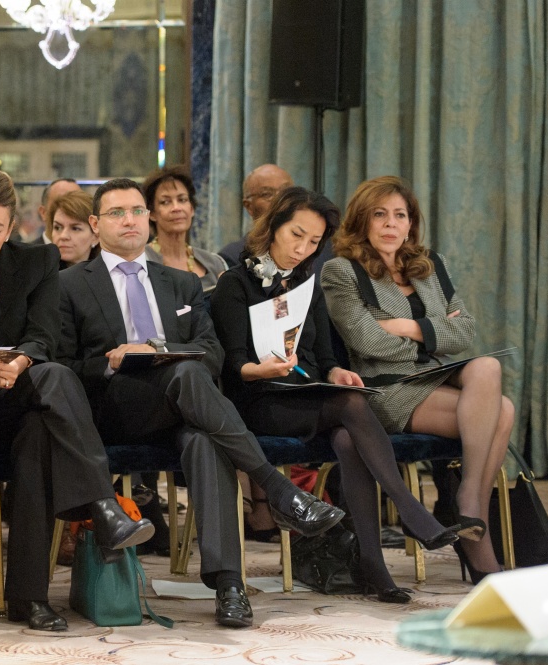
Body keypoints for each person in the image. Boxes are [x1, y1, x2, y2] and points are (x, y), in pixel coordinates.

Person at [57, 177, 345, 628]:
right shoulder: (68, 284)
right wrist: (112, 361)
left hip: (183, 406)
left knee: (204, 434)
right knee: (190, 378)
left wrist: (157, 350)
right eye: (116, 213)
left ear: (148, 218)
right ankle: (277, 489)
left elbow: (212, 353)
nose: (129, 220)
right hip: (112, 410)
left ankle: (230, 587)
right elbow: (60, 365)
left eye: (136, 210)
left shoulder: (181, 283)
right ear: (95, 224)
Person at [0, 167, 154, 632]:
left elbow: (44, 337)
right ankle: (103, 506)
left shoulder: (37, 262)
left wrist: (21, 362)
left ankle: (29, 598)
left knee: (46, 399)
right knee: (48, 402)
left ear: (11, 228)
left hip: (19, 395)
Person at [210, 186, 460, 603]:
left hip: (311, 396)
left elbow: (325, 358)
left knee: (347, 437)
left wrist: (337, 371)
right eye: (296, 235)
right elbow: (233, 367)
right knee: (352, 404)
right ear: (273, 227)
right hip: (261, 401)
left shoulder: (307, 284)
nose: (302, 249)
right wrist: (262, 369)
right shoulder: (234, 284)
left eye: (313, 241)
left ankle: (374, 567)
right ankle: (409, 509)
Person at [321, 175, 512, 584]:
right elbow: (365, 341)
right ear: (363, 221)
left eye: (400, 215)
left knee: (488, 368)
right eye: (380, 215)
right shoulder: (342, 271)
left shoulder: (429, 265)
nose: (391, 224)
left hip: (433, 377)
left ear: (411, 223)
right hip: (385, 388)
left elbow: (466, 332)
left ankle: (468, 499)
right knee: (504, 411)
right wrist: (432, 334)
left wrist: (403, 326)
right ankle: (476, 531)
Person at [142, 165, 227, 291]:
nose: (176, 208)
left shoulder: (215, 263)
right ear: (152, 213)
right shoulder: (140, 262)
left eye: (182, 200)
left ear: (191, 209)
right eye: (165, 202)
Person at [219, 164, 294, 268]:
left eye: (286, 191)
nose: (280, 199)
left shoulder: (313, 248)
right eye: (267, 194)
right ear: (249, 206)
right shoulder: (233, 257)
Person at [46, 190, 99, 268]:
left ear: (96, 237)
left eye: (75, 228)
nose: (63, 236)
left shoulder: (110, 272)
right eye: (58, 227)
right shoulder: (37, 271)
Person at [33, 178, 81, 244]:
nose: (70, 210)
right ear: (43, 213)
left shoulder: (90, 249)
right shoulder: (28, 251)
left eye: (76, 204)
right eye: (60, 204)